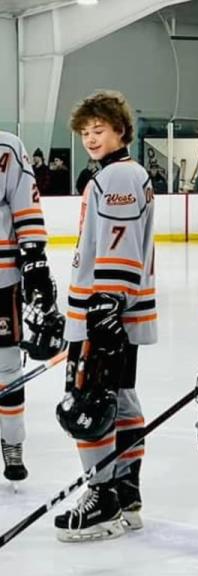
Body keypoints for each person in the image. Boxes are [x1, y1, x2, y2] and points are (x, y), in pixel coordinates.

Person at [54, 90, 156, 541]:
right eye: (85, 132)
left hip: (103, 311)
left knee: (88, 402)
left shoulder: (117, 177)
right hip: (113, 309)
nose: (91, 138)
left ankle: (102, 497)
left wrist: (106, 304)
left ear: (120, 130)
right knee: (121, 399)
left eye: (99, 129)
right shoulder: (119, 175)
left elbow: (119, 246)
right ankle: (125, 493)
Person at [0, 130, 64, 482]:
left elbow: (26, 202)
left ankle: (12, 444)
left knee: (7, 366)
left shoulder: (7, 147)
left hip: (2, 279)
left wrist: (35, 262)